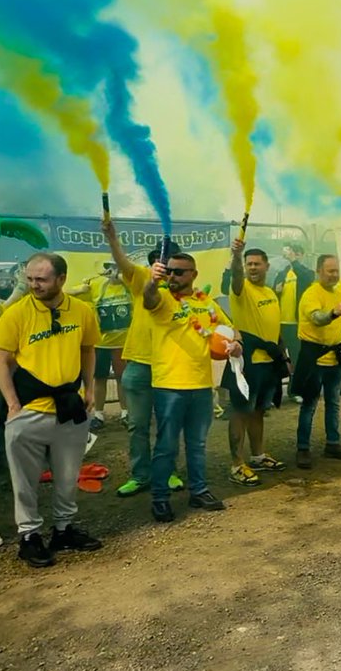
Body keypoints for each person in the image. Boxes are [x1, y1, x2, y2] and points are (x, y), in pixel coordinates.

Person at [0, 253, 103, 567]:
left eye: (41, 279)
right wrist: (11, 403)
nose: (33, 285)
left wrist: (90, 389)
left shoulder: (81, 311)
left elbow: (88, 348)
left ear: (61, 279)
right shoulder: (16, 313)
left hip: (69, 408)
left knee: (67, 477)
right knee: (24, 481)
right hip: (29, 410)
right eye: (30, 278)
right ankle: (29, 536)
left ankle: (63, 530)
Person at [144, 252, 241, 522]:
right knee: (166, 446)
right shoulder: (162, 298)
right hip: (169, 386)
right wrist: (153, 281)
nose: (172, 276)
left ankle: (199, 490)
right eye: (170, 271)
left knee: (197, 444)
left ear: (193, 275)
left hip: (200, 385)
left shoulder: (206, 302)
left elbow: (231, 330)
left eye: (179, 272)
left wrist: (235, 345)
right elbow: (148, 298)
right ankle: (160, 498)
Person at [101, 221, 185, 498]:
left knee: (168, 424)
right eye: (163, 266)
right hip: (138, 366)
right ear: (153, 266)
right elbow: (123, 262)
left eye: (175, 268)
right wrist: (112, 239)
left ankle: (168, 472)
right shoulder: (140, 280)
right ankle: (140, 475)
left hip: (169, 368)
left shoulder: (183, 293)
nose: (169, 272)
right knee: (137, 424)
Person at [226, 242, 287, 486]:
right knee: (241, 412)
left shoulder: (270, 292)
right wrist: (236, 255)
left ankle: (258, 455)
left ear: (266, 266)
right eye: (248, 264)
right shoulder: (241, 289)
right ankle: (237, 464)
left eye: (256, 263)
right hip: (246, 362)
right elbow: (236, 277)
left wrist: (284, 357)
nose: (252, 267)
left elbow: (274, 328)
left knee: (259, 410)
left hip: (268, 363)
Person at [293, 254, 341, 467]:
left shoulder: (339, 294)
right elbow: (317, 318)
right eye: (330, 270)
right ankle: (303, 448)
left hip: (335, 359)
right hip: (314, 358)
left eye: (336, 270)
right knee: (309, 405)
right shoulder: (311, 294)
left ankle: (333, 443)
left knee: (333, 404)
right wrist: (334, 312)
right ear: (318, 271)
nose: (334, 275)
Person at [69, 260, 131, 433]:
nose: (113, 271)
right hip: (101, 342)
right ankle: (98, 415)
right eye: (109, 268)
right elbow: (65, 293)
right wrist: (79, 290)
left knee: (123, 378)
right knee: (100, 378)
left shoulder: (131, 285)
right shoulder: (96, 285)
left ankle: (125, 413)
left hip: (123, 342)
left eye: (117, 267)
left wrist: (121, 277)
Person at [275, 242, 315, 365]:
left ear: (302, 255)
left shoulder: (307, 272)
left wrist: (293, 261)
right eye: (292, 254)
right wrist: (276, 291)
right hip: (281, 323)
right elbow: (272, 295)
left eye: (297, 255)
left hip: (297, 323)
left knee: (297, 356)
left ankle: (296, 382)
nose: (294, 257)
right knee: (278, 357)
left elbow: (307, 279)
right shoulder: (282, 273)